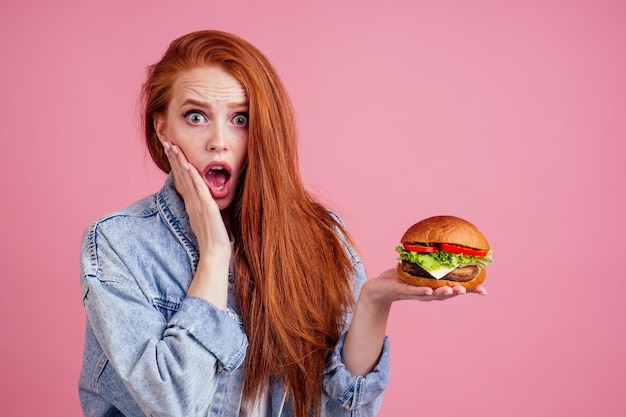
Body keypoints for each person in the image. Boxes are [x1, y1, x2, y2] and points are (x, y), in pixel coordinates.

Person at [78, 30, 486, 417]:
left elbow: (342, 411)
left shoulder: (320, 234)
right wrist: (215, 256)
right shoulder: (118, 243)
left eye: (240, 119)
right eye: (196, 116)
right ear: (162, 126)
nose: (218, 140)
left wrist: (374, 302)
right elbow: (172, 405)